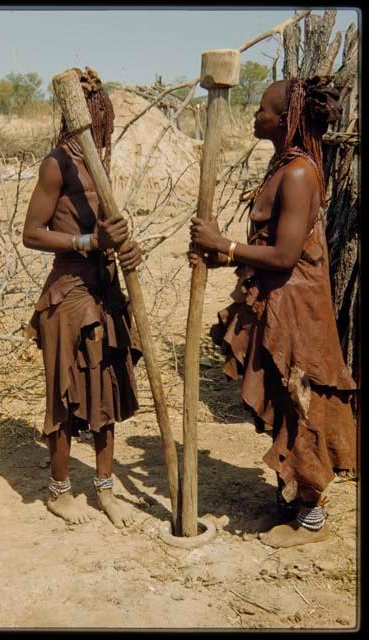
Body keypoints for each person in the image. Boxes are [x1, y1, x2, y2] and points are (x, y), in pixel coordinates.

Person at [188, 76, 357, 548]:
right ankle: (288, 502)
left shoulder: (300, 172)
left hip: (298, 307)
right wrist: (221, 253)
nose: (255, 115)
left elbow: (285, 257)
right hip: (277, 302)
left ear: (285, 120)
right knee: (284, 402)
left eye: (262, 110)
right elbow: (273, 248)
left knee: (300, 403)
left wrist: (225, 244)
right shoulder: (282, 166)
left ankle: (311, 520)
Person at [23, 66, 143, 529]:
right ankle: (59, 490)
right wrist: (89, 243)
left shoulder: (100, 163)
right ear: (89, 117)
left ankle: (106, 489)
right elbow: (32, 234)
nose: (106, 126)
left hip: (105, 290)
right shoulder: (57, 163)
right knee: (65, 391)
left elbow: (105, 230)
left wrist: (124, 245)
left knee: (106, 389)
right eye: (102, 117)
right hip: (69, 294)